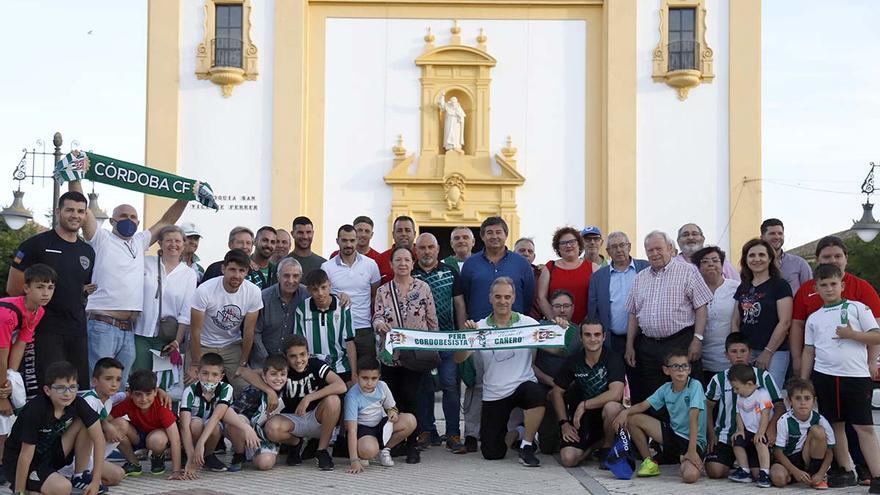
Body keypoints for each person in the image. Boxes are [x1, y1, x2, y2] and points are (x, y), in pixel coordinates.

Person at [69, 177, 188, 386]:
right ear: (112, 221)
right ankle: (94, 419)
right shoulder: (101, 238)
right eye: (123, 216)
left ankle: (112, 419)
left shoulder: (140, 241)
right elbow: (83, 208)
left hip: (128, 329)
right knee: (99, 383)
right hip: (102, 324)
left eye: (133, 217)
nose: (129, 220)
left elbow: (166, 220)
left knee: (121, 385)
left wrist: (187, 195)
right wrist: (74, 177)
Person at [800, 263, 880, 491]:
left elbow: (877, 336)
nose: (829, 289)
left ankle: (877, 474)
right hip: (824, 376)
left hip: (855, 376)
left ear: (842, 285)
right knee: (835, 424)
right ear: (816, 287)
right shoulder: (814, 318)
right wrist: (804, 382)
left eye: (833, 284)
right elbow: (808, 350)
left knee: (864, 426)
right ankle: (845, 469)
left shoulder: (857, 308)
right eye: (823, 285)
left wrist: (852, 334)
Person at [453, 277, 547, 467]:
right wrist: (469, 337)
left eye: (507, 297)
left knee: (536, 393)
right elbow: (459, 358)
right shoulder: (480, 326)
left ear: (513, 298)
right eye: (498, 297)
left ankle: (527, 445)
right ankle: (518, 432)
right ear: (490, 298)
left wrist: (563, 328)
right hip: (495, 392)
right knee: (492, 453)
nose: (502, 301)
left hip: (523, 384)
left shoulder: (528, 323)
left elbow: (557, 348)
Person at [7, 191, 93, 388]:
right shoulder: (36, 244)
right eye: (69, 209)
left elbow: (81, 289)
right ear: (58, 211)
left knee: (77, 390)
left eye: (80, 211)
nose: (75, 215)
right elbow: (13, 289)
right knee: (49, 389)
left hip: (77, 330)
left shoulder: (87, 251)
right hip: (44, 330)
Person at [624, 231, 712, 404]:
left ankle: (689, 431)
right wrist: (629, 345)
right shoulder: (639, 278)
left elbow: (701, 308)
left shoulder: (688, 272)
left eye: (659, 249)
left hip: (680, 343)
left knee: (686, 393)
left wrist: (698, 339)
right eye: (650, 250)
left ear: (670, 248)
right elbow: (633, 314)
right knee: (652, 394)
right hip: (648, 346)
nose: (654, 253)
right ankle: (657, 430)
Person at [240, 335, 345, 471]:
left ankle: (322, 450)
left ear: (308, 353)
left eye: (302, 354)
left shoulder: (315, 365)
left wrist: (308, 398)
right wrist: (269, 391)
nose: (299, 360)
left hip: (316, 416)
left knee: (333, 400)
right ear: (285, 357)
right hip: (293, 419)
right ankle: (295, 443)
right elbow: (244, 372)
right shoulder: (283, 369)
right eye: (293, 356)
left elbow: (341, 385)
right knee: (271, 428)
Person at [373, 246, 438, 464]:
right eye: (398, 260)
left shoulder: (423, 288)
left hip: (416, 356)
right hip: (391, 355)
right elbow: (377, 316)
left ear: (413, 263)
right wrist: (380, 324)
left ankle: (413, 444)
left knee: (413, 397)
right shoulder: (383, 290)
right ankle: (396, 442)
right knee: (394, 399)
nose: (402, 264)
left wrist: (432, 347)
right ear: (391, 264)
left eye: (407, 260)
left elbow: (431, 322)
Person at [3, 361, 108, 495]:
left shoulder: (77, 402)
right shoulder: (35, 409)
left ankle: (79, 476)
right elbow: (25, 455)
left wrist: (95, 481)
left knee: (86, 423)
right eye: (60, 388)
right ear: (47, 390)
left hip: (49, 456)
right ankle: (23, 488)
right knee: (63, 488)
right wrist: (19, 492)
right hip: (21, 463)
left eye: (72, 387)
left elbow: (99, 440)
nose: (67, 393)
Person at [790, 235, 880, 380]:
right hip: (820, 365)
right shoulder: (807, 289)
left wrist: (871, 360)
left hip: (855, 367)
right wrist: (797, 358)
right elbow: (798, 324)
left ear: (846, 258)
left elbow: (876, 326)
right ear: (818, 259)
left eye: (838, 256)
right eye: (826, 256)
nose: (833, 260)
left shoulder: (862, 287)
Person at [613, 350, 706, 483]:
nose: (680, 370)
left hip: (694, 440)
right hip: (674, 434)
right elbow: (643, 406)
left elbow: (694, 419)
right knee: (632, 418)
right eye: (675, 366)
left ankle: (686, 458)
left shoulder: (695, 386)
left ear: (690, 369)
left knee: (689, 477)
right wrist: (624, 412)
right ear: (666, 370)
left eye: (684, 366)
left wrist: (691, 451)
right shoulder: (666, 388)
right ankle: (649, 462)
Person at [412, 233, 467, 451]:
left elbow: (460, 305)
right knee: (424, 387)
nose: (426, 251)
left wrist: (462, 336)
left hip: (448, 339)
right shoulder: (411, 272)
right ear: (416, 250)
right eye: (422, 247)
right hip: (421, 342)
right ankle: (426, 431)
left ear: (437, 250)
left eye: (430, 247)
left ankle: (453, 434)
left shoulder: (450, 272)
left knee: (450, 385)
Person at [704, 333, 784, 480]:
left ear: (750, 353)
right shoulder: (719, 379)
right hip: (727, 436)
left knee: (756, 474)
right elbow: (707, 406)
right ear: (726, 354)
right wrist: (711, 434)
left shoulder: (763, 376)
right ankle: (735, 463)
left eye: (743, 351)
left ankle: (746, 466)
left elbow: (779, 406)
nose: (739, 356)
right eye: (733, 352)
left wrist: (771, 428)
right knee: (714, 471)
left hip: (756, 435)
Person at [0, 263, 56, 462]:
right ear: (26, 288)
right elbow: (2, 352)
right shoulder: (7, 313)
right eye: (40, 287)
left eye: (50, 287)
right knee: (2, 411)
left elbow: (20, 345)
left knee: (11, 409)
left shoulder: (37, 311)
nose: (46, 293)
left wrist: (9, 381)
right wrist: (2, 396)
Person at [552, 318, 625, 467]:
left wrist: (584, 405)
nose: (593, 339)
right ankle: (594, 445)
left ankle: (607, 446)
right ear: (581, 337)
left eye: (597, 335)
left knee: (612, 407)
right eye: (588, 335)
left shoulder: (613, 359)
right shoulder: (574, 361)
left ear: (604, 337)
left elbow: (616, 394)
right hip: (582, 421)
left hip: (608, 418)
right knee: (568, 459)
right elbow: (556, 392)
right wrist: (564, 423)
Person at [188, 250, 263, 392]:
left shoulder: (253, 292)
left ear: (247, 272)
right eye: (232, 270)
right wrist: (196, 363)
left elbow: (249, 332)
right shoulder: (205, 290)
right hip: (203, 343)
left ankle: (237, 414)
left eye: (242, 271)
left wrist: (243, 362)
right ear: (223, 269)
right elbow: (195, 331)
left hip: (231, 345)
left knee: (247, 388)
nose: (237, 275)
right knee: (195, 387)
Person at [179, 353, 259, 474]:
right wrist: (191, 456)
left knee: (216, 426)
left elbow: (217, 417)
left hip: (212, 427)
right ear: (197, 373)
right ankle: (189, 455)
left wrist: (202, 443)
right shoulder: (189, 391)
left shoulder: (226, 388)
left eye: (214, 374)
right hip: (193, 431)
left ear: (221, 377)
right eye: (205, 373)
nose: (209, 378)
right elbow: (184, 426)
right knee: (196, 424)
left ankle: (207, 456)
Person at [133, 225, 197, 375]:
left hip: (167, 337)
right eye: (168, 240)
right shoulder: (145, 263)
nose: (173, 245)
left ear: (183, 244)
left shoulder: (189, 274)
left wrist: (177, 341)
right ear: (160, 243)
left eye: (177, 241)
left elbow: (185, 312)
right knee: (138, 377)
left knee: (161, 382)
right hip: (140, 332)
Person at [730, 238, 793, 390]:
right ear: (745, 259)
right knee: (746, 393)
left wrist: (767, 352)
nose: (757, 259)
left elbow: (784, 322)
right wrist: (739, 350)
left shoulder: (780, 285)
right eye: (752, 255)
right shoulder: (743, 287)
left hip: (775, 352)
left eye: (761, 255)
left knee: (770, 395)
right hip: (748, 351)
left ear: (770, 258)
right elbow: (735, 321)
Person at [109, 369, 190, 479]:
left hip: (158, 438)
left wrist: (176, 471)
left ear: (156, 392)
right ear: (130, 393)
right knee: (116, 425)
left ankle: (158, 456)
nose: (143, 399)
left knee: (156, 439)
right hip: (138, 435)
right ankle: (133, 463)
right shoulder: (128, 402)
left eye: (148, 394)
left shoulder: (162, 406)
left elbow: (175, 439)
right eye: (138, 394)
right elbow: (105, 419)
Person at [345, 357, 417, 474]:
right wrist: (354, 460)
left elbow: (392, 407)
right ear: (357, 377)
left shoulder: (382, 386)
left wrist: (393, 413)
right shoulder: (352, 396)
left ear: (379, 377)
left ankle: (385, 450)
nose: (369, 383)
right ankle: (367, 452)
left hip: (381, 424)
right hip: (363, 429)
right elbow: (352, 430)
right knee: (368, 451)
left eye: (374, 378)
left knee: (410, 420)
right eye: (365, 378)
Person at [532, 290, 582, 454]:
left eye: (566, 306)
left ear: (573, 308)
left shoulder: (580, 332)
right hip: (545, 387)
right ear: (550, 308)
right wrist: (553, 384)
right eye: (558, 306)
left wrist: (564, 387)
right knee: (547, 447)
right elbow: (531, 366)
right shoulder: (538, 329)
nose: (562, 310)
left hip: (573, 387)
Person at [322, 224, 380, 361]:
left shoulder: (371, 265)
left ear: (357, 240)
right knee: (341, 371)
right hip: (338, 327)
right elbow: (323, 296)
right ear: (337, 241)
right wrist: (336, 297)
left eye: (352, 240)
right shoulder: (327, 267)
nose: (349, 244)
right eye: (344, 240)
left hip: (364, 328)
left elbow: (375, 295)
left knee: (367, 373)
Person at [460, 217, 535, 321]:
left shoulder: (522, 263)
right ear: (482, 236)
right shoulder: (470, 263)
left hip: (514, 329)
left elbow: (528, 298)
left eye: (498, 232)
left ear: (506, 235)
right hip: (479, 328)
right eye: (490, 232)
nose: (494, 236)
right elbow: (465, 297)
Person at [587, 231, 649, 354]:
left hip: (644, 339)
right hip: (612, 340)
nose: (619, 250)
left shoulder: (645, 268)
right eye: (614, 247)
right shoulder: (599, 277)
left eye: (622, 245)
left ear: (629, 246)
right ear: (608, 251)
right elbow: (593, 311)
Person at [770, 378, 834, 489]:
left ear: (814, 401)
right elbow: (778, 452)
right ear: (790, 401)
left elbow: (829, 452)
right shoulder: (784, 421)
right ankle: (798, 476)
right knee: (778, 478)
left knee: (818, 431)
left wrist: (820, 473)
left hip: (807, 456)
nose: (803, 403)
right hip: (788, 459)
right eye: (798, 398)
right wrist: (795, 471)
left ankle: (815, 475)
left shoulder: (820, 420)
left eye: (807, 398)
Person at [229, 355, 289, 471]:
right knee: (237, 420)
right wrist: (246, 429)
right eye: (273, 374)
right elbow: (228, 412)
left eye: (282, 374)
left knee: (265, 464)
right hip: (248, 431)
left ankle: (256, 452)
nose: (278, 378)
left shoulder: (288, 389)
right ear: (264, 376)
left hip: (267, 436)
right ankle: (239, 453)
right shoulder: (254, 390)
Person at [295, 269, 356, 381]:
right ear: (308, 290)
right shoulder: (302, 309)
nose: (320, 293)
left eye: (323, 287)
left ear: (329, 285)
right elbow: (300, 343)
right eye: (315, 289)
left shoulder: (343, 307)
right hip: (313, 367)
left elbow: (349, 341)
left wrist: (354, 374)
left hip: (340, 366)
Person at [75, 358, 126, 488]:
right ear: (94, 381)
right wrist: (105, 424)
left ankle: (95, 465)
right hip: (76, 456)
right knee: (117, 475)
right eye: (108, 379)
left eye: (118, 379)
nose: (114, 384)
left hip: (92, 450)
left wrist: (159, 391)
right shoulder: (89, 400)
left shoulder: (108, 401)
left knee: (122, 424)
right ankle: (79, 474)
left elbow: (130, 394)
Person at [692, 246, 739, 382]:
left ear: (722, 265)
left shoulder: (735, 288)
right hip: (700, 358)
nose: (711, 264)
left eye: (715, 260)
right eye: (705, 261)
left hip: (729, 359)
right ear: (698, 267)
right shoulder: (692, 289)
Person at [252, 258, 307, 368]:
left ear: (300, 277)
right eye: (286, 276)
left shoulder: (307, 295)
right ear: (278, 277)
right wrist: (266, 359)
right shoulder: (263, 298)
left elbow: (325, 298)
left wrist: (341, 296)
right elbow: (255, 332)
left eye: (295, 276)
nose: (291, 280)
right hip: (264, 361)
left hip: (296, 363)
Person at [726, 364, 774, 487]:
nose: (735, 391)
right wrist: (740, 430)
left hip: (762, 430)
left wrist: (760, 432)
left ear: (749, 384)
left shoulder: (762, 394)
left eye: (737, 388)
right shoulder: (740, 396)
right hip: (748, 430)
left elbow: (765, 414)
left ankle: (765, 473)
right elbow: (738, 413)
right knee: (737, 441)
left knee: (760, 443)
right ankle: (744, 470)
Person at [538, 227, 595, 325]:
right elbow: (541, 297)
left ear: (579, 244)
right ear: (558, 248)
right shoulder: (550, 268)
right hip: (557, 328)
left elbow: (597, 300)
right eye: (563, 243)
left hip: (586, 328)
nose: (568, 245)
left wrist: (587, 323)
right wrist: (555, 320)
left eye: (572, 242)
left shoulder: (593, 268)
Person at [760, 218, 812, 294]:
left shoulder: (799, 264)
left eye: (780, 233)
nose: (777, 237)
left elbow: (810, 292)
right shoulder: (755, 264)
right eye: (772, 233)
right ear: (762, 238)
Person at [675, 223, 740, 280]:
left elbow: (738, 286)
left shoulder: (719, 261)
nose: (690, 237)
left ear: (702, 239)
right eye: (685, 235)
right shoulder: (672, 264)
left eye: (695, 234)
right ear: (678, 241)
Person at [375, 216, 417, 285]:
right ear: (393, 234)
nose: (403, 234)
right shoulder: (380, 260)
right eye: (399, 230)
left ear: (414, 234)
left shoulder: (422, 257)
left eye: (407, 230)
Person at [515, 237, 543, 319]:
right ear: (513, 254)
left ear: (534, 256)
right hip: (512, 323)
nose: (526, 254)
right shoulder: (505, 274)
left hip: (535, 323)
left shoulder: (542, 275)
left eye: (530, 251)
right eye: (522, 250)